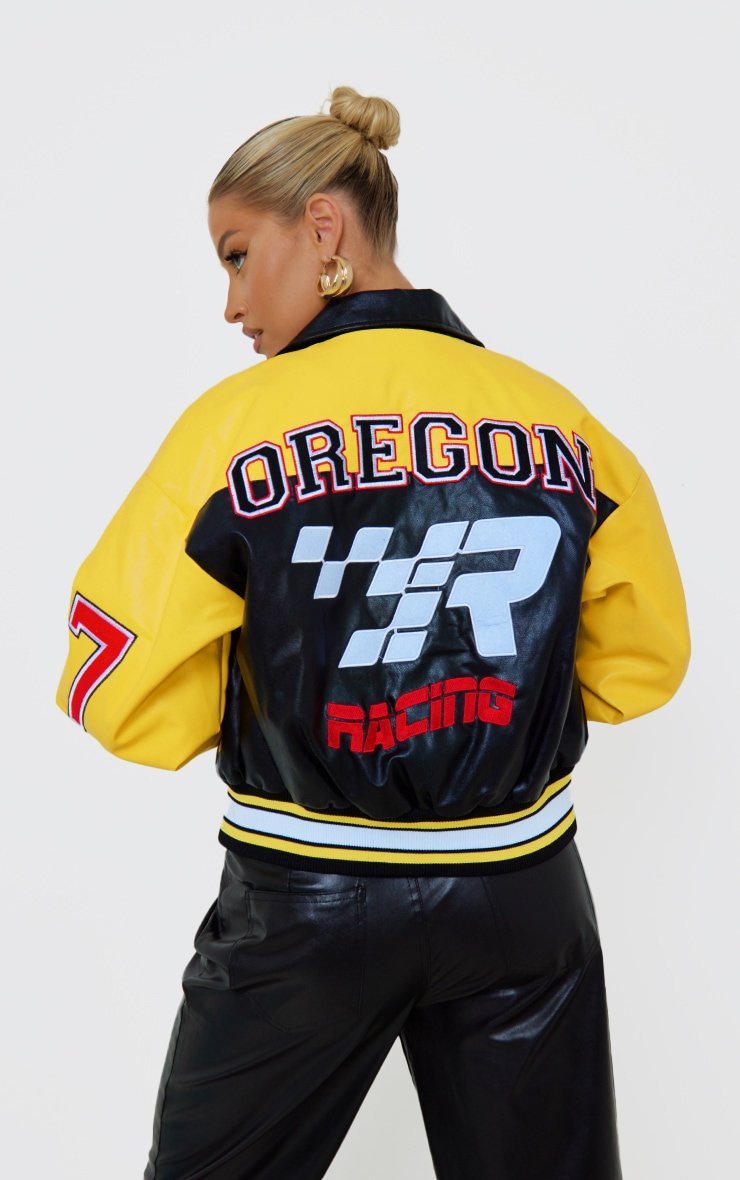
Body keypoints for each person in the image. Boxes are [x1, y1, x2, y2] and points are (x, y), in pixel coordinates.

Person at [56, 85, 690, 1180]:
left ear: (322, 227)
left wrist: (281, 708)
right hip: (521, 893)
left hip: (307, 899)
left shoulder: (232, 430)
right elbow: (645, 661)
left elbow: (112, 689)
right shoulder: (560, 421)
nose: (230, 305)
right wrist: (498, 706)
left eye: (236, 257)